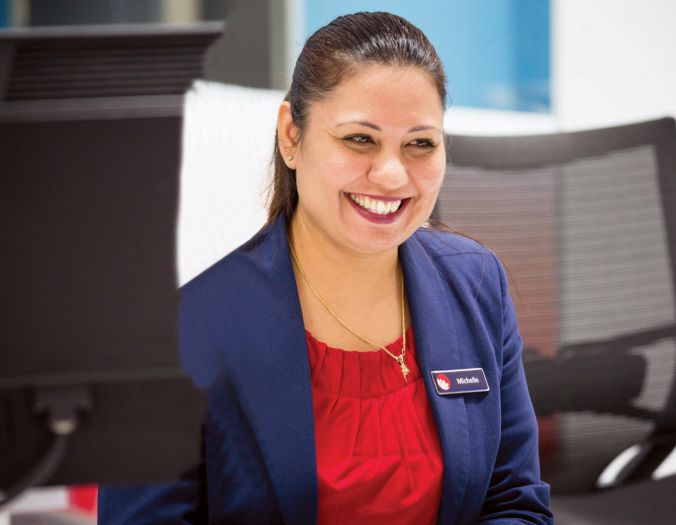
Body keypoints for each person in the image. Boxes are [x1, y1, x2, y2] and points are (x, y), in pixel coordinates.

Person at [99, 11, 552, 524]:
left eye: (420, 143)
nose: (391, 173)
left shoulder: (476, 284)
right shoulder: (184, 331)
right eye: (360, 138)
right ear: (292, 135)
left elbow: (515, 501)